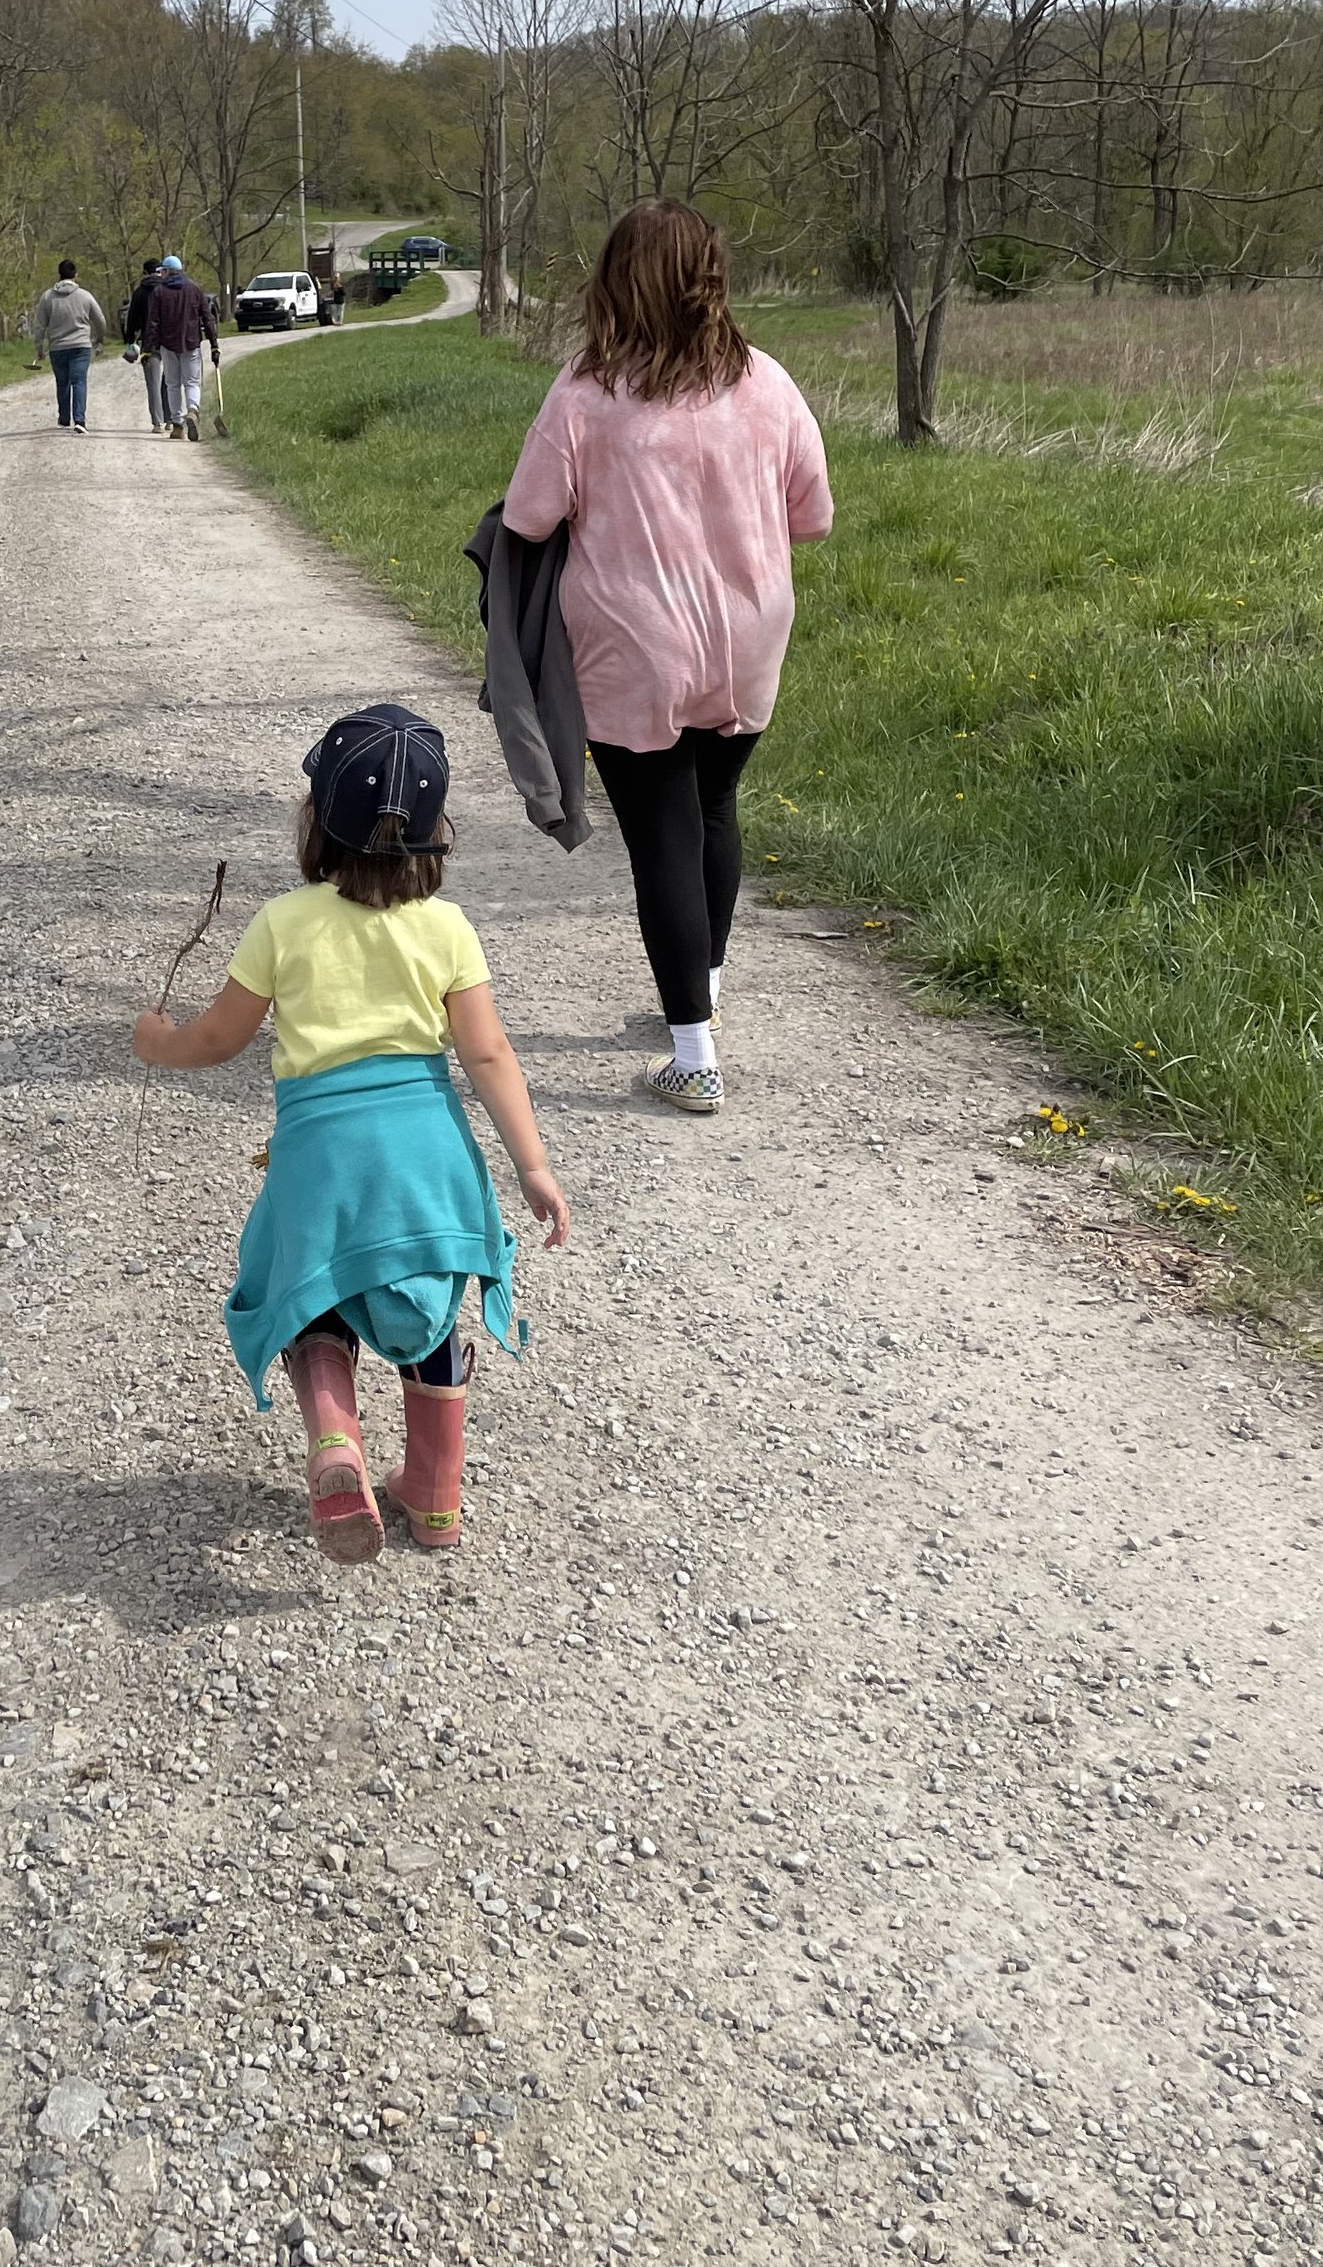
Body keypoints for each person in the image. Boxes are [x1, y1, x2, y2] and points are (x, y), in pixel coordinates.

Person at [133, 704, 569, 1560]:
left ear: (317, 821)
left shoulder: (283, 922)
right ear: (437, 834)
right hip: (429, 1155)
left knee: (310, 1289)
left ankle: (335, 1436)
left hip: (323, 1155)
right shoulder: (447, 928)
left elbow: (218, 1038)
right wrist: (533, 1165)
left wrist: (158, 1042)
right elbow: (487, 1052)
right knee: (429, 1306)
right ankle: (435, 1496)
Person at [501, 198, 832, 1119]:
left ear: (616, 280)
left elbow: (528, 515)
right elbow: (814, 516)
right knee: (714, 807)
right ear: (709, 278)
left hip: (635, 644)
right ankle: (704, 993)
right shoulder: (767, 382)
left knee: (662, 838)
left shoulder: (586, 392)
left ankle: (693, 1056)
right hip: (749, 635)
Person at [140, 253, 218, 442]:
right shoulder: (194, 289)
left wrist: (147, 349)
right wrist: (214, 345)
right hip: (191, 343)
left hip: (167, 345)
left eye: (163, 271)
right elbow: (207, 318)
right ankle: (192, 410)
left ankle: (177, 425)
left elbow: (153, 323)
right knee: (192, 382)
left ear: (167, 271)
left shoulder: (159, 292)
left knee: (172, 384)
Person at [29, 258, 110, 433]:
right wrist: (99, 339)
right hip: (81, 345)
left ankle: (64, 418)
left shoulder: (47, 297)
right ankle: (79, 420)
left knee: (62, 382)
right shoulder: (85, 296)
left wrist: (39, 348)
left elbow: (40, 326)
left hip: (57, 347)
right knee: (79, 381)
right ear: (76, 275)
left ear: (59, 275)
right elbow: (100, 320)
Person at [122, 256, 167, 432]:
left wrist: (129, 339)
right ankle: (172, 419)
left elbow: (132, 318)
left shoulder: (140, 292)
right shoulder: (168, 288)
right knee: (170, 381)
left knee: (153, 383)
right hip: (169, 340)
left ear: (145, 272)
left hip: (149, 342)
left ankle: (157, 423)